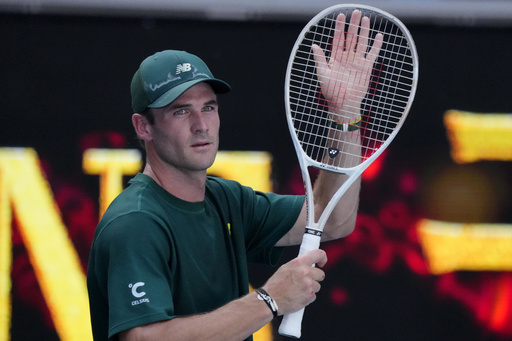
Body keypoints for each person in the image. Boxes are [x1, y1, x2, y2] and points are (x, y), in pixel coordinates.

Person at [87, 10, 381, 341]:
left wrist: (345, 114)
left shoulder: (225, 200)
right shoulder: (135, 223)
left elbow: (333, 219)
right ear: (144, 127)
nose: (201, 124)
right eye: (180, 110)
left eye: (208, 107)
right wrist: (269, 301)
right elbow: (145, 339)